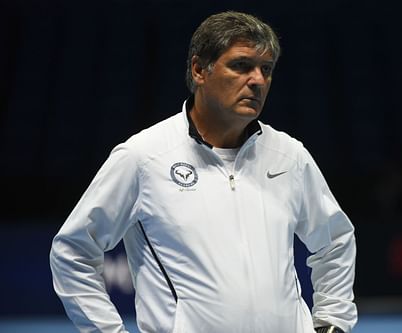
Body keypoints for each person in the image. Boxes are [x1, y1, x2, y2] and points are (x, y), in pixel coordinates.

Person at [50, 11, 357, 333]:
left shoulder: (289, 155)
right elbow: (73, 252)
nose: (257, 80)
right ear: (199, 70)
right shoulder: (143, 157)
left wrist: (333, 321)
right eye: (241, 66)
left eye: (266, 69)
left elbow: (335, 240)